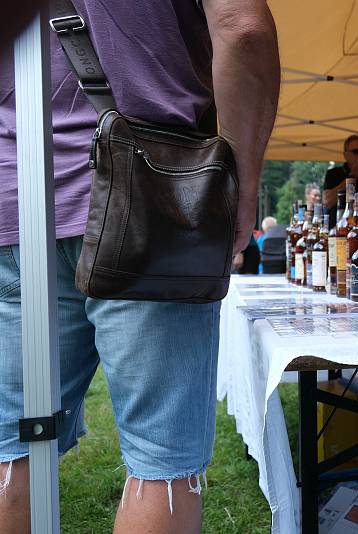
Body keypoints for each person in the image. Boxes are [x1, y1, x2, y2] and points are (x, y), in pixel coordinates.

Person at [0, 1, 279, 533]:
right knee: (161, 459)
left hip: (18, 197)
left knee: (14, 445)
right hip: (155, 200)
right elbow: (243, 28)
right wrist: (239, 189)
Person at [322, 135, 358, 223]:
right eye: (355, 151)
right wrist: (354, 175)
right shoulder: (334, 174)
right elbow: (327, 202)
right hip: (337, 229)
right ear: (345, 155)